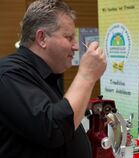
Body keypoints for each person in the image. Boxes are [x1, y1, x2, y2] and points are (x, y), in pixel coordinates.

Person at [0, 0, 106, 158]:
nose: (76, 47)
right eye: (69, 37)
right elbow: (53, 129)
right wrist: (86, 75)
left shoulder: (47, 74)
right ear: (42, 38)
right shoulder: (9, 74)